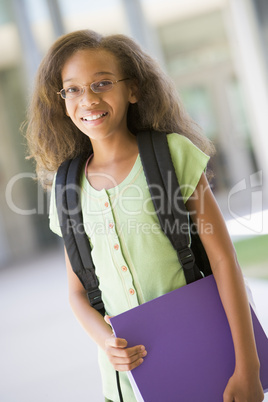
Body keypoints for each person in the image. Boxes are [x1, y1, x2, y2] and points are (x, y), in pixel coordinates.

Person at [25, 29, 264, 402]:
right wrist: (107, 343)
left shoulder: (171, 155)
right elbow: (77, 292)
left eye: (102, 83)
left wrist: (248, 366)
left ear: (133, 90)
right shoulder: (65, 187)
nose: (87, 99)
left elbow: (223, 260)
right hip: (127, 386)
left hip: (205, 366)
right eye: (72, 89)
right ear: (61, 101)